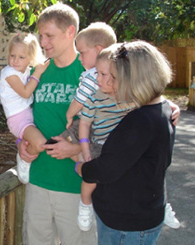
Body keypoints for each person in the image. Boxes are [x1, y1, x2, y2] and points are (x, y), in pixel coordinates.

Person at [76, 40, 177, 244]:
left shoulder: (140, 121)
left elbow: (106, 169)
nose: (111, 83)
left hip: (127, 225)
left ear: (134, 78)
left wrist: (82, 167)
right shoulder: (162, 109)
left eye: (115, 77)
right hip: (137, 216)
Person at [18, 3, 98, 244]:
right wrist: (20, 142)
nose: (43, 43)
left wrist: (75, 149)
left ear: (70, 32)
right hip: (38, 181)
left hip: (76, 185)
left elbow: (112, 125)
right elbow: (22, 116)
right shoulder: (37, 72)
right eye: (41, 36)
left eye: (49, 35)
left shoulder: (91, 73)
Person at [0, 33, 50, 184]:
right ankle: (24, 159)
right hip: (18, 119)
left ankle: (25, 148)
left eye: (21, 57)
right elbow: (26, 93)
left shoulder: (26, 71)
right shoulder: (9, 73)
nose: (15, 61)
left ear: (30, 58)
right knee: (40, 143)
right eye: (12, 55)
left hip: (28, 115)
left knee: (38, 140)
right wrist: (38, 73)